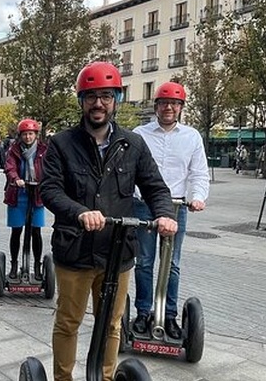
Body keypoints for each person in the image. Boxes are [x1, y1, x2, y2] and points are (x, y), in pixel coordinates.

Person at [40, 61, 177, 381]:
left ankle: (103, 377)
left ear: (116, 98)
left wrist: (165, 214)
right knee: (68, 321)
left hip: (118, 251)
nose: (98, 103)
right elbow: (50, 190)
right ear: (81, 101)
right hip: (74, 248)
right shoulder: (62, 143)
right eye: (90, 97)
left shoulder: (133, 144)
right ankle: (63, 378)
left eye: (105, 96)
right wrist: (78, 212)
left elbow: (155, 186)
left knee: (112, 323)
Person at [131, 81, 209, 340]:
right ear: (156, 106)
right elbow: (128, 170)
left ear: (180, 108)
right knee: (143, 262)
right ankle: (143, 312)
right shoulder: (139, 134)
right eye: (164, 103)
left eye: (174, 104)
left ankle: (170, 315)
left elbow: (198, 172)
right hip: (144, 205)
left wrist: (197, 197)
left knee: (172, 264)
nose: (168, 108)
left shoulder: (192, 136)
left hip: (177, 206)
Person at [3, 119, 47, 279]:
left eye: (30, 134)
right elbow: (10, 167)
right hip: (18, 194)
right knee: (16, 231)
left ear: (36, 135)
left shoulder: (44, 150)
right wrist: (15, 179)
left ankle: (37, 265)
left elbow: (49, 167)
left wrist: (46, 181)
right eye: (25, 134)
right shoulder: (14, 150)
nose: (28, 137)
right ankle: (14, 264)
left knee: (36, 231)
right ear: (20, 135)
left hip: (37, 195)